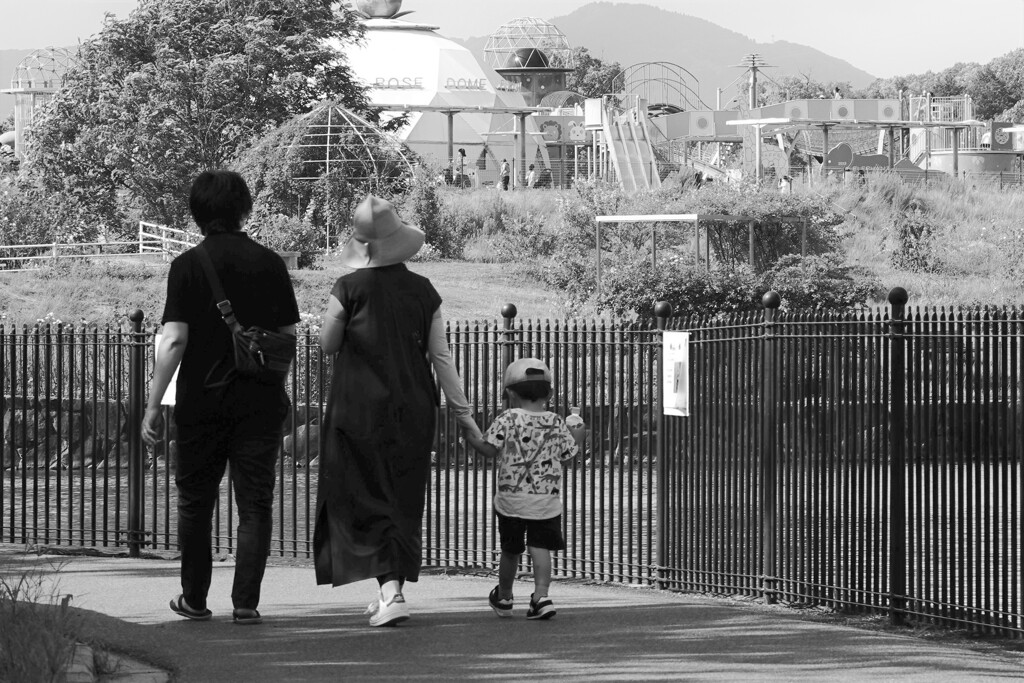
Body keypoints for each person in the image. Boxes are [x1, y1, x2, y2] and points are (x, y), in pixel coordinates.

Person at [314, 195, 482, 627]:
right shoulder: (424, 291)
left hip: (357, 407)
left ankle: (389, 591)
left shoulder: (347, 289)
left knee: (361, 492)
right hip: (414, 406)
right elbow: (442, 358)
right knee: (402, 494)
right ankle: (392, 589)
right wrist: (464, 416)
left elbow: (327, 345)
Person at [142, 170, 299, 626]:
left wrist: (154, 405)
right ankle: (246, 602)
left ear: (197, 214)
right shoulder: (271, 263)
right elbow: (287, 335)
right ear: (243, 209)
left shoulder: (188, 266)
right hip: (260, 402)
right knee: (255, 503)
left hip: (201, 403)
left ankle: (194, 599)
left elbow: (173, 340)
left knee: (195, 500)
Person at [466, 358, 586, 620]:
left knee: (511, 549)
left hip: (511, 499)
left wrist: (471, 437)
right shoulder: (556, 422)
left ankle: (505, 596)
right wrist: (578, 437)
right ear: (550, 393)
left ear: (509, 393)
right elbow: (567, 455)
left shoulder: (506, 419)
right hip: (546, 501)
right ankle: (541, 597)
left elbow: (488, 450)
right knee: (540, 547)